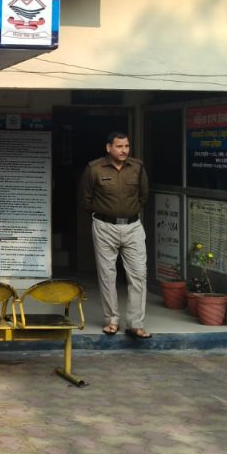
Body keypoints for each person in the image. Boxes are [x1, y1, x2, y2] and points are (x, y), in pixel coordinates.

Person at [80, 131, 151, 338]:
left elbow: (144, 195)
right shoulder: (94, 168)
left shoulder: (137, 167)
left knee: (139, 274)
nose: (124, 150)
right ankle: (112, 320)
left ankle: (135, 323)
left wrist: (128, 211)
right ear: (108, 148)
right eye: (119, 146)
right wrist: (105, 213)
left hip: (133, 227)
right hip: (104, 227)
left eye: (126, 146)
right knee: (107, 275)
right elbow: (85, 199)